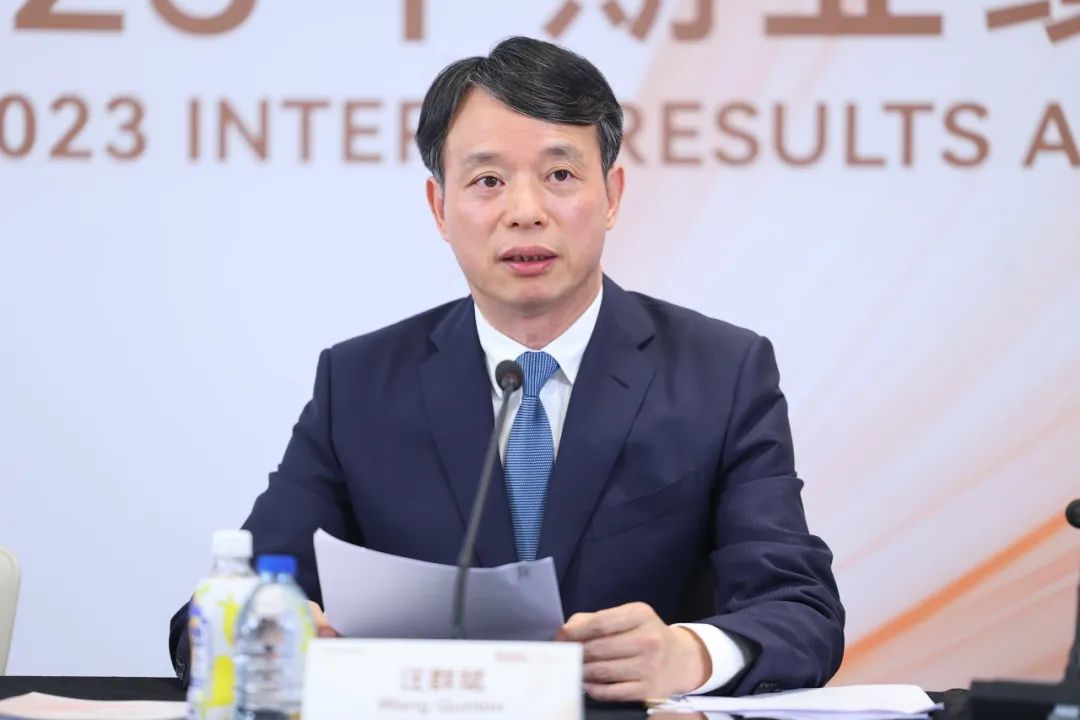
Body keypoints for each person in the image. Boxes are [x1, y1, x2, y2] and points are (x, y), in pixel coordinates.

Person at [169, 36, 844, 701]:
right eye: (488, 181)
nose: (526, 213)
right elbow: (214, 616)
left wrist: (688, 654)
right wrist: (270, 633)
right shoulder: (360, 384)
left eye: (560, 176)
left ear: (612, 195)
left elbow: (800, 608)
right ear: (440, 208)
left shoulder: (720, 374)